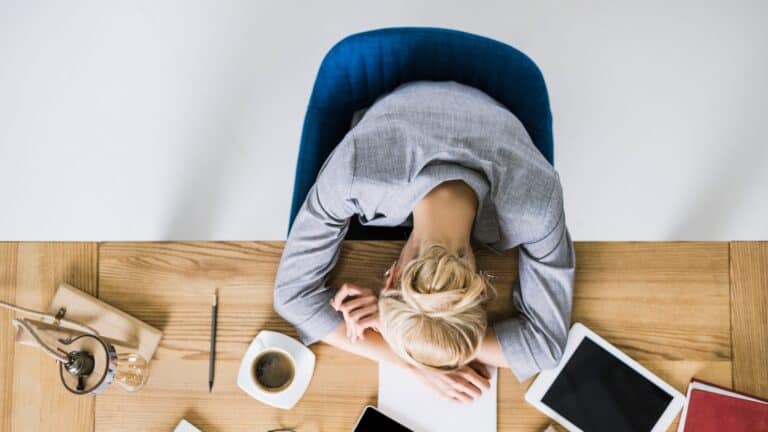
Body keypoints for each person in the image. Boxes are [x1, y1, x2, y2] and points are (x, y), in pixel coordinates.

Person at [274, 80, 575, 403]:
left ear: (481, 287)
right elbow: (290, 296)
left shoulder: (536, 207)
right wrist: (413, 361)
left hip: (478, 117)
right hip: (403, 115)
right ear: (389, 281)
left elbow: (546, 349)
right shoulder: (353, 176)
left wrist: (419, 334)